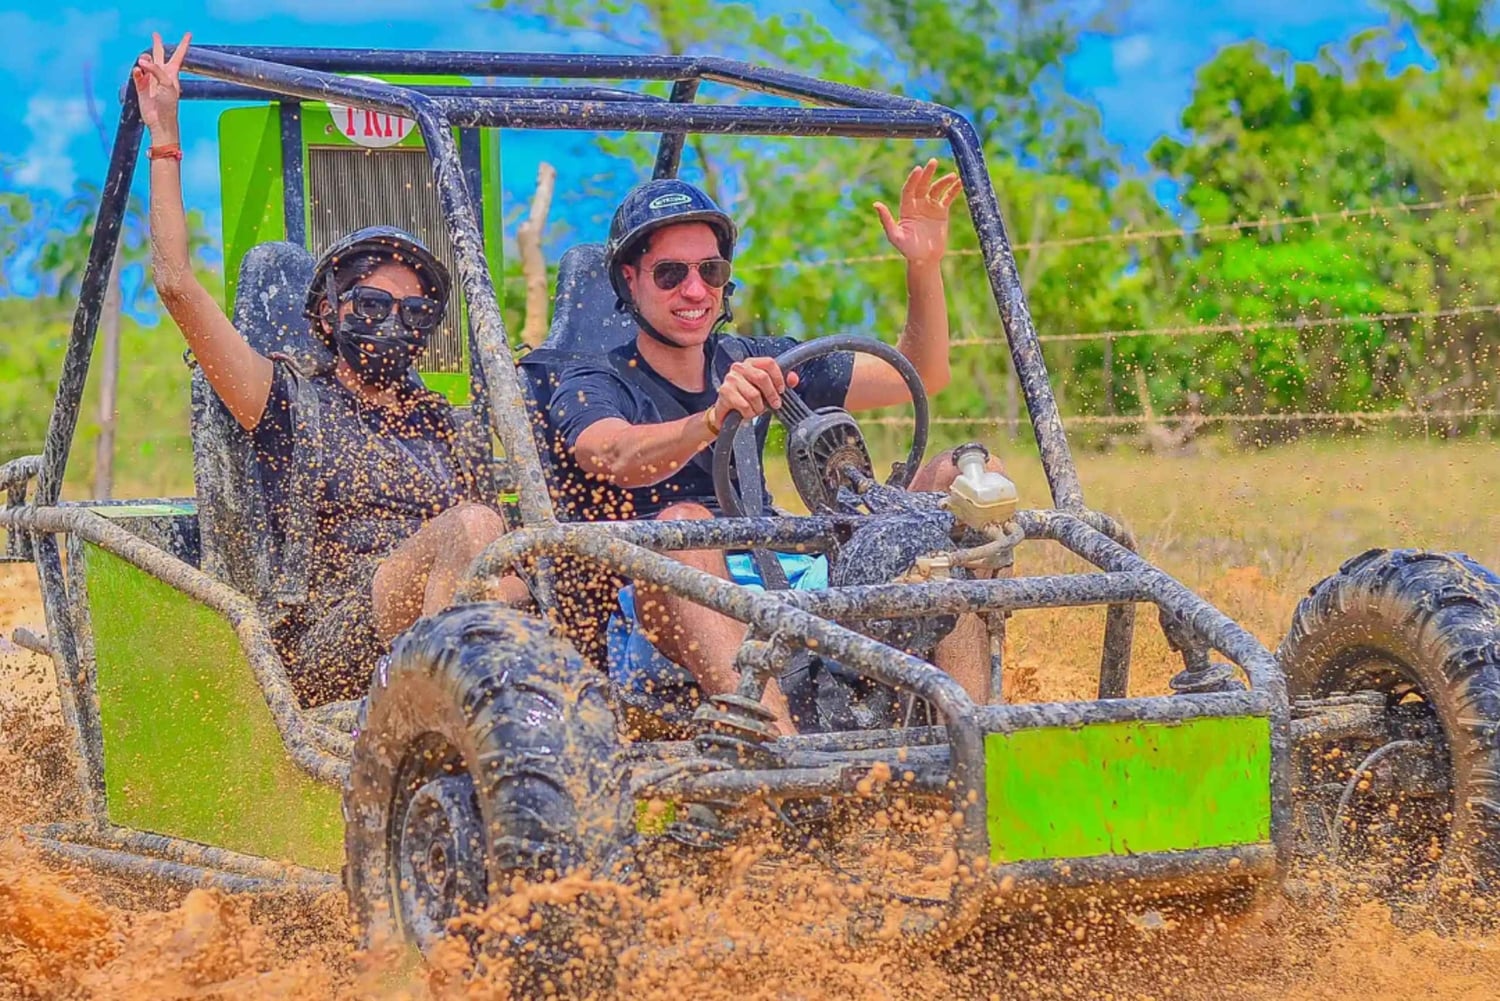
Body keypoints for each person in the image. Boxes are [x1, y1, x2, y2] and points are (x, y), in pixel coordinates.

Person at [136, 33, 526, 704]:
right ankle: (429, 717)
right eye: (372, 304)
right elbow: (175, 284)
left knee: (530, 559)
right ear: (327, 315)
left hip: (441, 618)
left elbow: (500, 559)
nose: (391, 323)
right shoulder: (287, 399)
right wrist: (165, 136)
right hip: (328, 638)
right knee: (471, 528)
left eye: (414, 312)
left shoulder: (443, 422)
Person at [548, 163, 1002, 734]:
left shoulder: (757, 360)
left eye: (709, 271)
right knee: (685, 526)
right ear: (630, 281)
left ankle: (973, 745)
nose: (694, 291)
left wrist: (924, 264)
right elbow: (610, 454)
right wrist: (712, 419)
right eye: (669, 274)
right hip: (660, 618)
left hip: (788, 577)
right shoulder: (591, 378)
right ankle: (782, 755)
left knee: (953, 496)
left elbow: (925, 372)